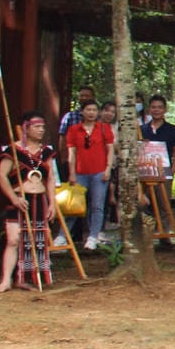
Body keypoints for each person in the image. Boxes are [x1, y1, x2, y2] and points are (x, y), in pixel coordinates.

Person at [0, 111, 57, 291]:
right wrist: (14, 199)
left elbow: (50, 179)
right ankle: (6, 280)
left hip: (40, 199)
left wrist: (52, 203)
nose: (41, 130)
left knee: (35, 240)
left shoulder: (47, 152)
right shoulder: (13, 151)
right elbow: (1, 176)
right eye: (37, 127)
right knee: (14, 239)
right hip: (19, 199)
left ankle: (24, 278)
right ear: (26, 128)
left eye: (43, 127)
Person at [63, 98, 113, 249]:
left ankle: (93, 236)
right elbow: (71, 152)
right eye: (88, 110)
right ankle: (62, 235)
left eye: (94, 110)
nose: (91, 113)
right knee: (73, 205)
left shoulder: (104, 128)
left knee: (97, 206)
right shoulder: (74, 129)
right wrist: (71, 172)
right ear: (82, 112)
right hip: (80, 173)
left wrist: (108, 169)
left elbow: (110, 150)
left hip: (99, 172)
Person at [140, 95, 175, 177]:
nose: (156, 110)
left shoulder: (172, 129)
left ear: (165, 110)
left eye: (160, 107)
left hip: (165, 172)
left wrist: (172, 172)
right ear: (149, 109)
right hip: (145, 172)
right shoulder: (141, 129)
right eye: (153, 107)